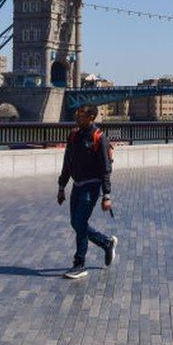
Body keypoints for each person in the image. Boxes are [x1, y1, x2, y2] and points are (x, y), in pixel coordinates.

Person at [57, 105, 118, 280]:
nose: (77, 117)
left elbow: (106, 169)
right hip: (77, 185)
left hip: (92, 186)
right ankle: (106, 243)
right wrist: (62, 187)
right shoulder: (74, 135)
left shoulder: (99, 138)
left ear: (91, 117)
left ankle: (79, 264)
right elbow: (67, 162)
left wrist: (106, 195)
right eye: (77, 114)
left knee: (80, 222)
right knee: (76, 223)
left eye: (81, 115)